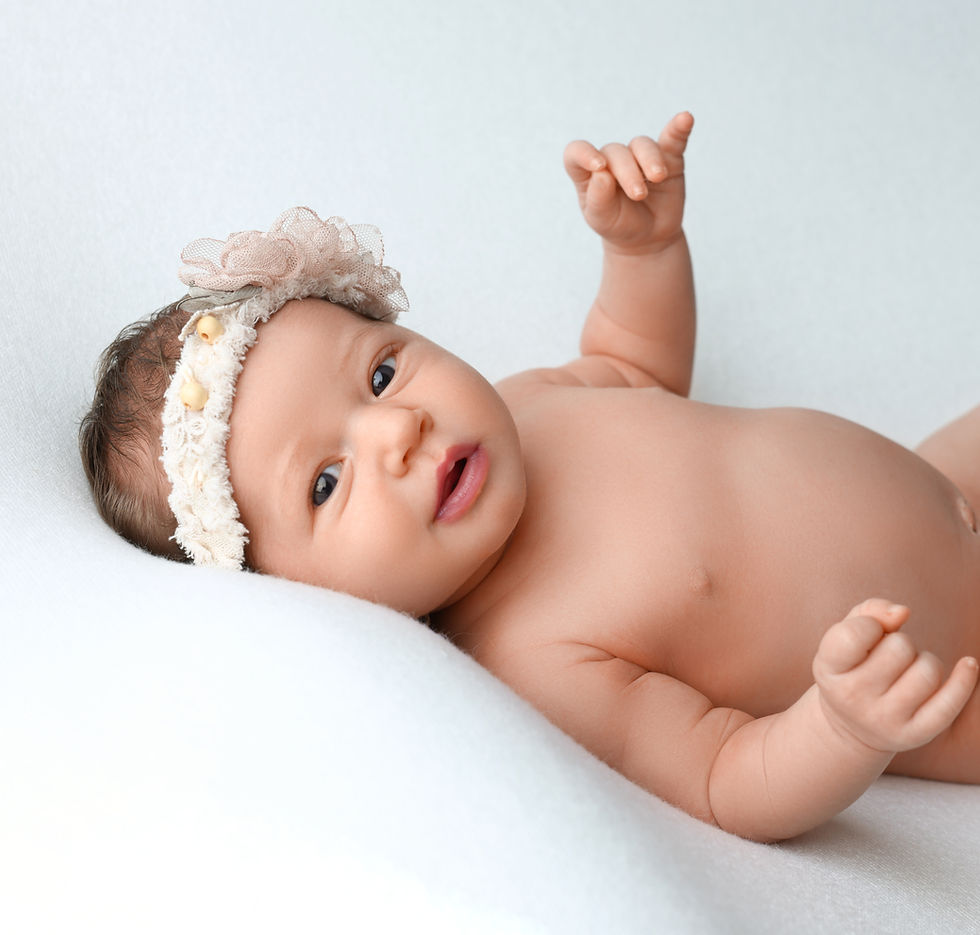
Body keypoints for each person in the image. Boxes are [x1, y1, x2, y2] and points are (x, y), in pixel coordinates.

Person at [80, 112, 980, 842]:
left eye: (382, 373)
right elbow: (725, 775)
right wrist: (841, 727)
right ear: (300, 598)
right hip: (945, 673)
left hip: (937, 476)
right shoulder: (535, 657)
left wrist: (643, 253)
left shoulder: (528, 405)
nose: (398, 429)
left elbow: (635, 365)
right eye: (325, 483)